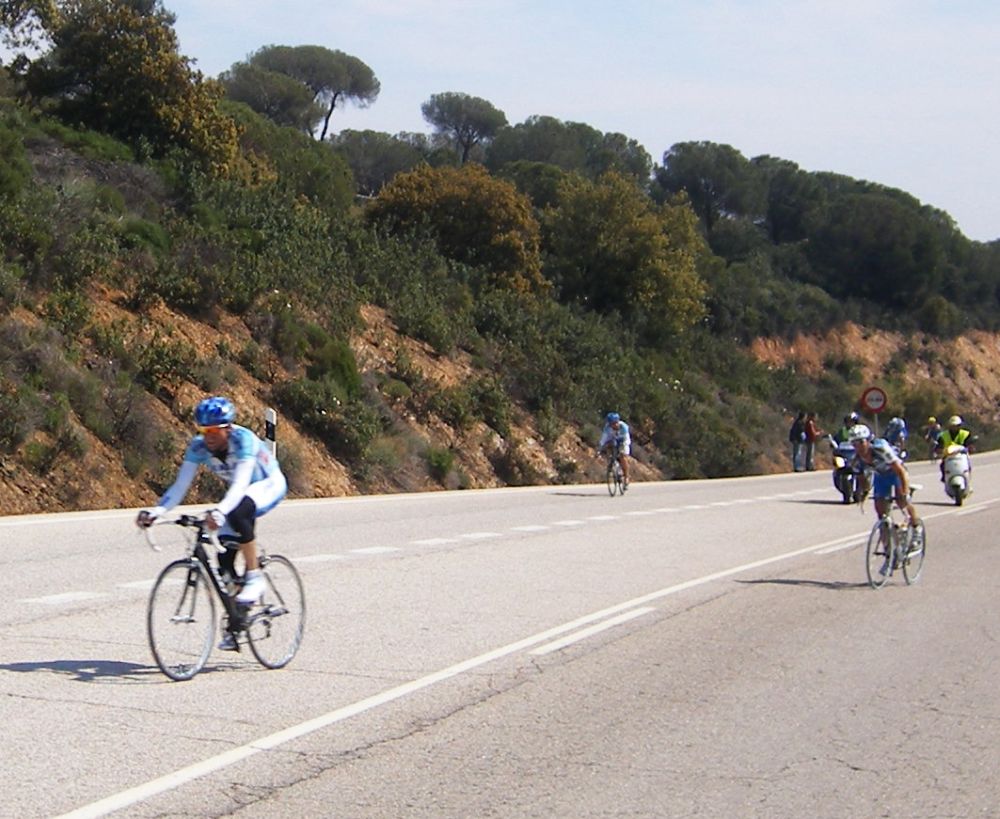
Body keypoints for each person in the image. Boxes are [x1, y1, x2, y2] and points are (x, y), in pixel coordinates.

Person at [136, 396, 287, 649]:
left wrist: (220, 511)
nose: (209, 437)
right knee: (224, 562)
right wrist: (157, 511)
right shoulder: (198, 447)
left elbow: (241, 484)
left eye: (215, 431)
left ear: (228, 428)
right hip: (239, 495)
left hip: (268, 484)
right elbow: (180, 486)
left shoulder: (244, 440)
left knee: (238, 512)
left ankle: (254, 577)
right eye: (204, 430)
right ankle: (238, 621)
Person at [849, 423, 922, 572]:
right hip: (881, 476)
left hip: (896, 473)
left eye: (861, 442)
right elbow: (861, 478)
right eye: (854, 443)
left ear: (868, 440)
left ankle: (916, 528)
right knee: (881, 514)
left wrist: (905, 492)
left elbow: (900, 471)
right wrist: (863, 493)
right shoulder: (856, 459)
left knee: (902, 502)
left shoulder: (881, 448)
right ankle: (891, 554)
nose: (859, 447)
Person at [935, 415, 974, 481]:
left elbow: (970, 444)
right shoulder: (943, 435)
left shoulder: (965, 434)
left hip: (962, 456)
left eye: (957, 425)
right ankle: (945, 477)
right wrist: (940, 451)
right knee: (942, 465)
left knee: (968, 465)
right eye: (953, 426)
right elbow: (938, 447)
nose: (954, 427)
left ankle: (967, 479)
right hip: (948, 457)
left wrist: (970, 448)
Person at [598, 412, 631, 488]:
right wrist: (600, 448)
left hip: (623, 441)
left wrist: (622, 450)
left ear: (618, 421)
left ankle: (626, 477)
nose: (614, 425)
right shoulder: (607, 428)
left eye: (615, 423)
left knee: (622, 456)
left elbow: (625, 439)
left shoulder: (623, 427)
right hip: (613, 441)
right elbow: (604, 439)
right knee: (607, 446)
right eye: (611, 424)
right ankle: (612, 461)